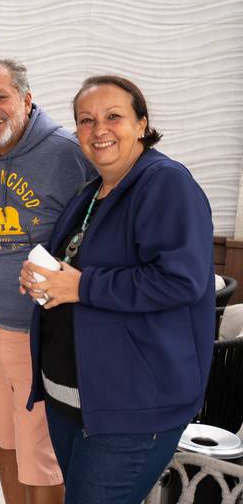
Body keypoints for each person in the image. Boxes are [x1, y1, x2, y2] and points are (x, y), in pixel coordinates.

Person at [20, 75, 214, 503]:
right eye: (86, 120)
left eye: (113, 117)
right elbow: (77, 273)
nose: (98, 130)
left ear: (142, 123)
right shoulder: (92, 192)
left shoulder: (165, 183)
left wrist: (82, 286)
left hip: (132, 409)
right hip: (72, 400)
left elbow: (180, 280)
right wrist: (46, 280)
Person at [0, 59, 95, 504]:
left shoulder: (70, 154)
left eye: (1, 97)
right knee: (5, 442)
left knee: (41, 454)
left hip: (43, 332)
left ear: (26, 99)